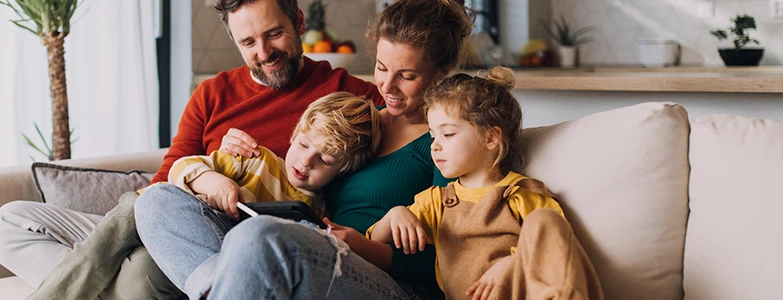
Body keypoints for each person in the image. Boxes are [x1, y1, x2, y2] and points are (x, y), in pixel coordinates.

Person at [0, 0, 382, 297]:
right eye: (248, 42)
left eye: (274, 34)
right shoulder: (212, 93)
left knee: (143, 270)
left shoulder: (350, 97)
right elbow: (165, 178)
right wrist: (209, 172)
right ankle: (102, 275)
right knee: (10, 219)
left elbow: (377, 175)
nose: (264, 52)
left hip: (217, 241)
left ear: (298, 22)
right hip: (165, 210)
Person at [135, 0, 473, 299]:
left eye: (407, 76)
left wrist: (367, 247)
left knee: (260, 235)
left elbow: (459, 259)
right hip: (313, 253)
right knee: (156, 201)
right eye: (381, 69)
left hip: (387, 279)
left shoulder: (448, 142)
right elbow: (299, 172)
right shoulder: (359, 119)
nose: (387, 86)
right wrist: (223, 164)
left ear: (441, 73)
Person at [367, 67, 604, 300]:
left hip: (522, 293)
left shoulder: (523, 195)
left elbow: (558, 254)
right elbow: (375, 239)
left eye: (447, 134)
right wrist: (396, 214)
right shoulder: (436, 201)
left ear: (490, 138)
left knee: (545, 220)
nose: (435, 146)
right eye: (432, 136)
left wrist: (513, 263)